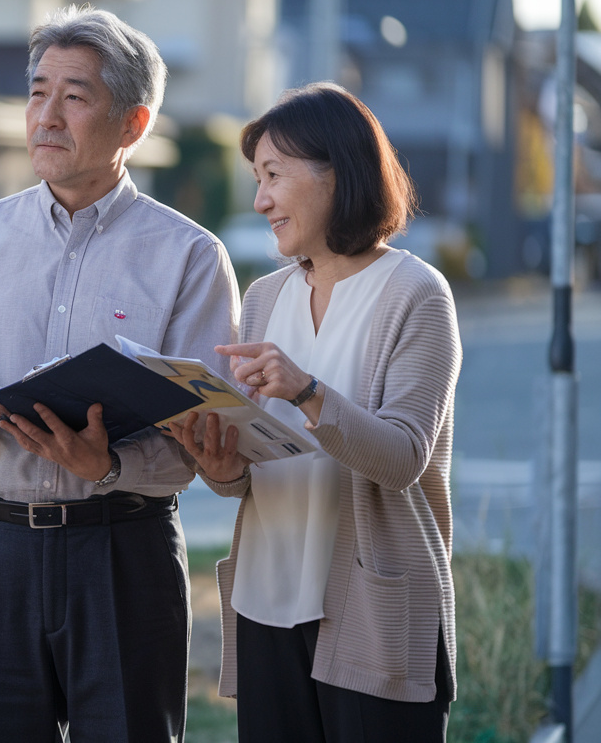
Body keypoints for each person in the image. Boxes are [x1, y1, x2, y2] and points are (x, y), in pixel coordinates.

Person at [0, 5, 239, 742]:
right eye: (37, 90)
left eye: (75, 96)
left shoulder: (189, 256)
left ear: (133, 124)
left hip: (125, 551)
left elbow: (204, 429)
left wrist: (109, 464)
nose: (46, 115)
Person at [164, 81, 460, 742]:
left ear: (339, 173)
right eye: (256, 178)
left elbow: (404, 458)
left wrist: (308, 391)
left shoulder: (416, 294)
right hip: (267, 602)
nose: (259, 198)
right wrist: (219, 464)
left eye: (273, 175)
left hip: (375, 611)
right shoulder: (265, 297)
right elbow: (257, 470)